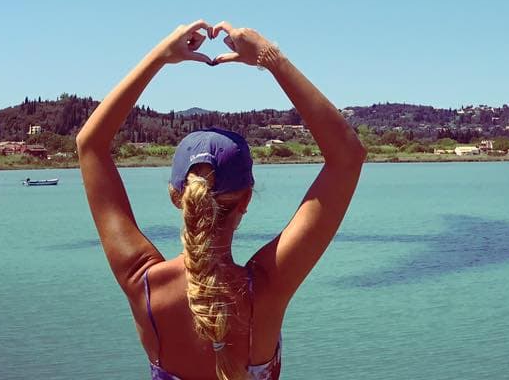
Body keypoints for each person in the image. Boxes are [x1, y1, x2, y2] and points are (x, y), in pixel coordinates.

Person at [77, 21, 366, 380]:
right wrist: (269, 57)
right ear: (246, 199)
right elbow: (347, 157)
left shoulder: (145, 284)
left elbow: (89, 146)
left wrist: (161, 57)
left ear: (175, 197)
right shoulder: (267, 287)